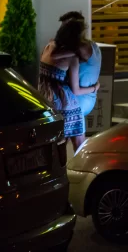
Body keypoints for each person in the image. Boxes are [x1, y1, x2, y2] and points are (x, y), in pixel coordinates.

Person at [39, 18, 99, 151]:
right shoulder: (72, 58)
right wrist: (94, 88)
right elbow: (76, 90)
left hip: (45, 98)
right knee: (79, 144)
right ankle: (80, 162)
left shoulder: (48, 47)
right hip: (64, 102)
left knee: (58, 143)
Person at [55, 11, 102, 121]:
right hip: (89, 98)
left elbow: (54, 56)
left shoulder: (79, 50)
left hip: (80, 99)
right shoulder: (92, 45)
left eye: (64, 27)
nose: (62, 30)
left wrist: (94, 88)